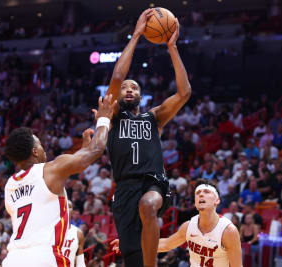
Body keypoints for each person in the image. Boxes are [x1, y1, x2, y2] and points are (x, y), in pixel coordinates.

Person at [99, 8, 191, 267]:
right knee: (132, 256)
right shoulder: (113, 115)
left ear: (141, 96)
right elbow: (117, 76)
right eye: (126, 87)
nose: (129, 88)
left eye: (135, 87)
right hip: (124, 189)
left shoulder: (154, 117)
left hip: (153, 182)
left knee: (148, 205)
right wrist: (137, 34)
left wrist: (172, 47)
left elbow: (184, 93)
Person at [2, 94, 116, 267]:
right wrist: (104, 120)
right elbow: (97, 149)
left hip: (13, 259)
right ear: (34, 151)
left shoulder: (10, 185)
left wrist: (80, 155)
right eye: (39, 145)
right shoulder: (50, 169)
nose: (43, 149)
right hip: (45, 257)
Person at [112, 179, 242, 267]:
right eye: (198, 193)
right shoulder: (188, 226)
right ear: (195, 202)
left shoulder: (228, 231)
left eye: (206, 192)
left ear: (217, 200)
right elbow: (167, 244)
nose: (201, 195)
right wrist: (131, 244)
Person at [61, 201, 85, 267]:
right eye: (64, 206)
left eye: (69, 207)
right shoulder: (49, 231)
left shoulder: (78, 234)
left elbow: (80, 263)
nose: (66, 209)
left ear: (73, 212)